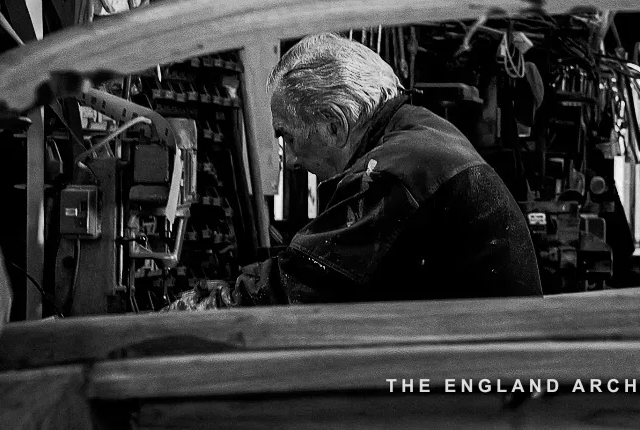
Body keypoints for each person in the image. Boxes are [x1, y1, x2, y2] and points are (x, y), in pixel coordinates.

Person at [226, 33, 542, 305]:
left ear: (336, 125)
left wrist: (206, 307)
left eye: (288, 137)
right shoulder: (418, 133)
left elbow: (303, 283)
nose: (292, 160)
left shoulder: (392, 171)